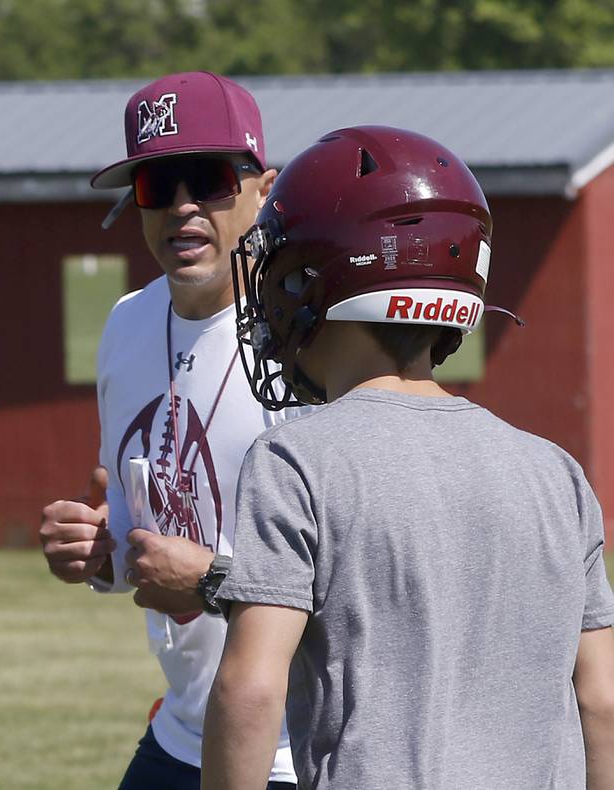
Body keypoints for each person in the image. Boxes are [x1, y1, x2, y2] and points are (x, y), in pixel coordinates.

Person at [201, 126, 614, 790]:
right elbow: (601, 700)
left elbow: (249, 691)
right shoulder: (555, 473)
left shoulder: (294, 461)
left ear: (310, 281)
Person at [39, 71, 300, 789]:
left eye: (208, 179)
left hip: (296, 752)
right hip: (183, 732)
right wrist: (98, 550)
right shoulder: (126, 323)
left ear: (263, 188)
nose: (182, 207)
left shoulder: (309, 338)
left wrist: (212, 583)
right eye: (157, 186)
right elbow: (138, 519)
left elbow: (366, 574)